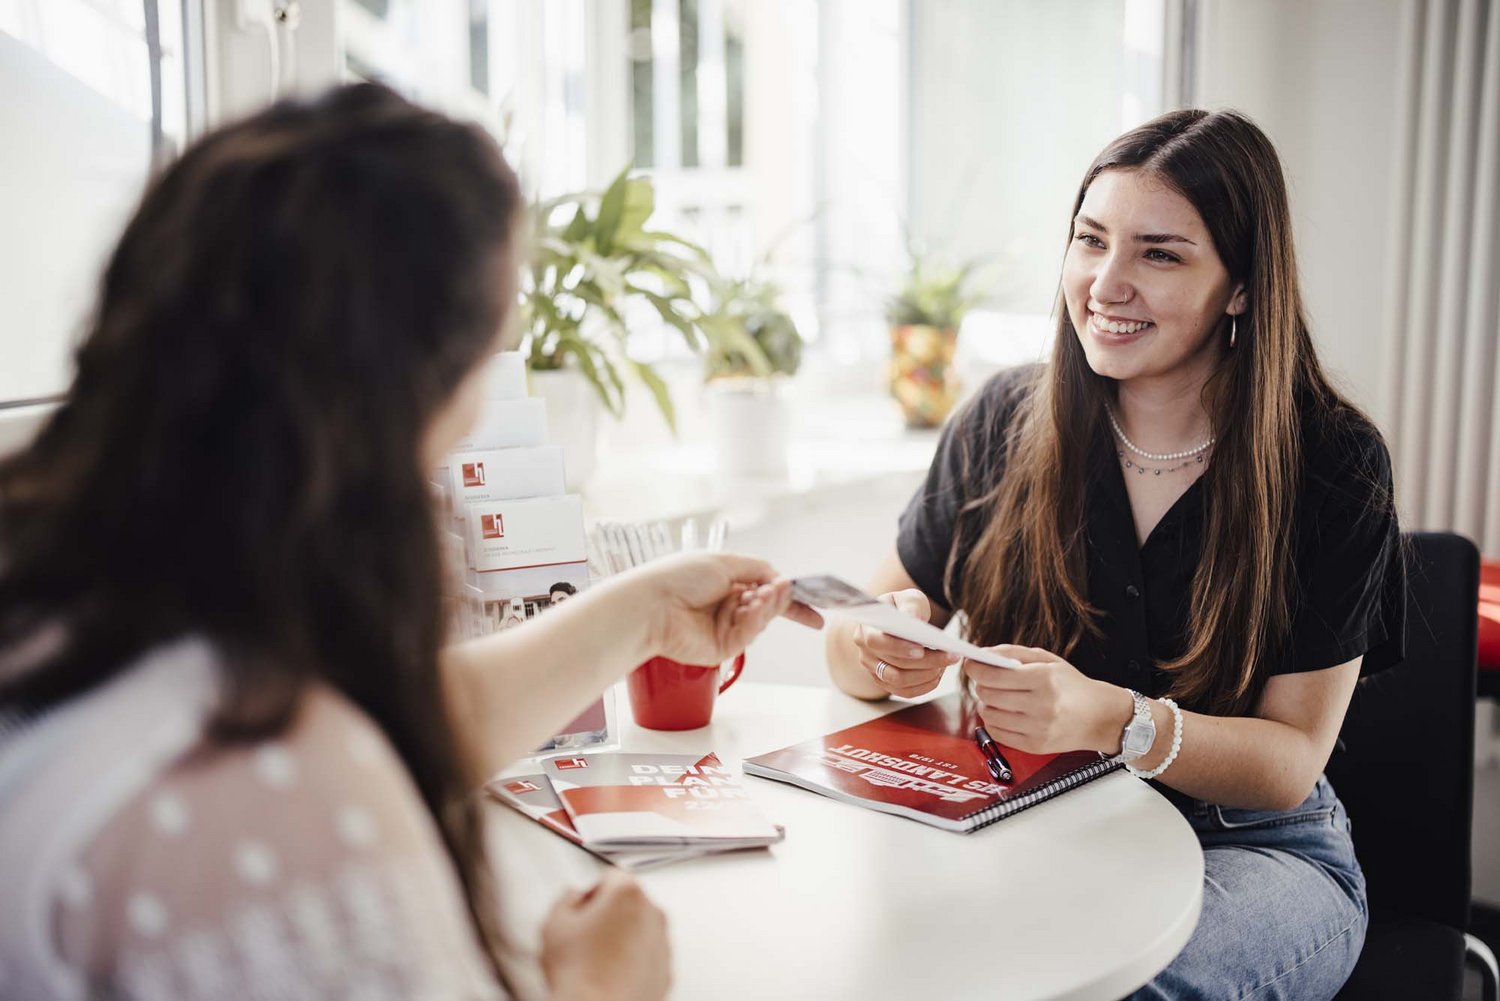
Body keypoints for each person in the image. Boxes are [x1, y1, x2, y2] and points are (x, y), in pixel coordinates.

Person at [0, 84, 819, 1000]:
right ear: (394, 412)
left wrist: (646, 612)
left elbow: (399, 719)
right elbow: (341, 754)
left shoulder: (75, 603)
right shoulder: (277, 799)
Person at [827, 109, 1403, 1000]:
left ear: (1242, 287)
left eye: (1160, 254)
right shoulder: (1004, 419)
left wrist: (1113, 720)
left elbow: (1290, 763)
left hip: (1251, 845)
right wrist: (879, 644)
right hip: (1037, 819)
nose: (1106, 282)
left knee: (1109, 987)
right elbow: (861, 629)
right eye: (1091, 240)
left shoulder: (1331, 462)